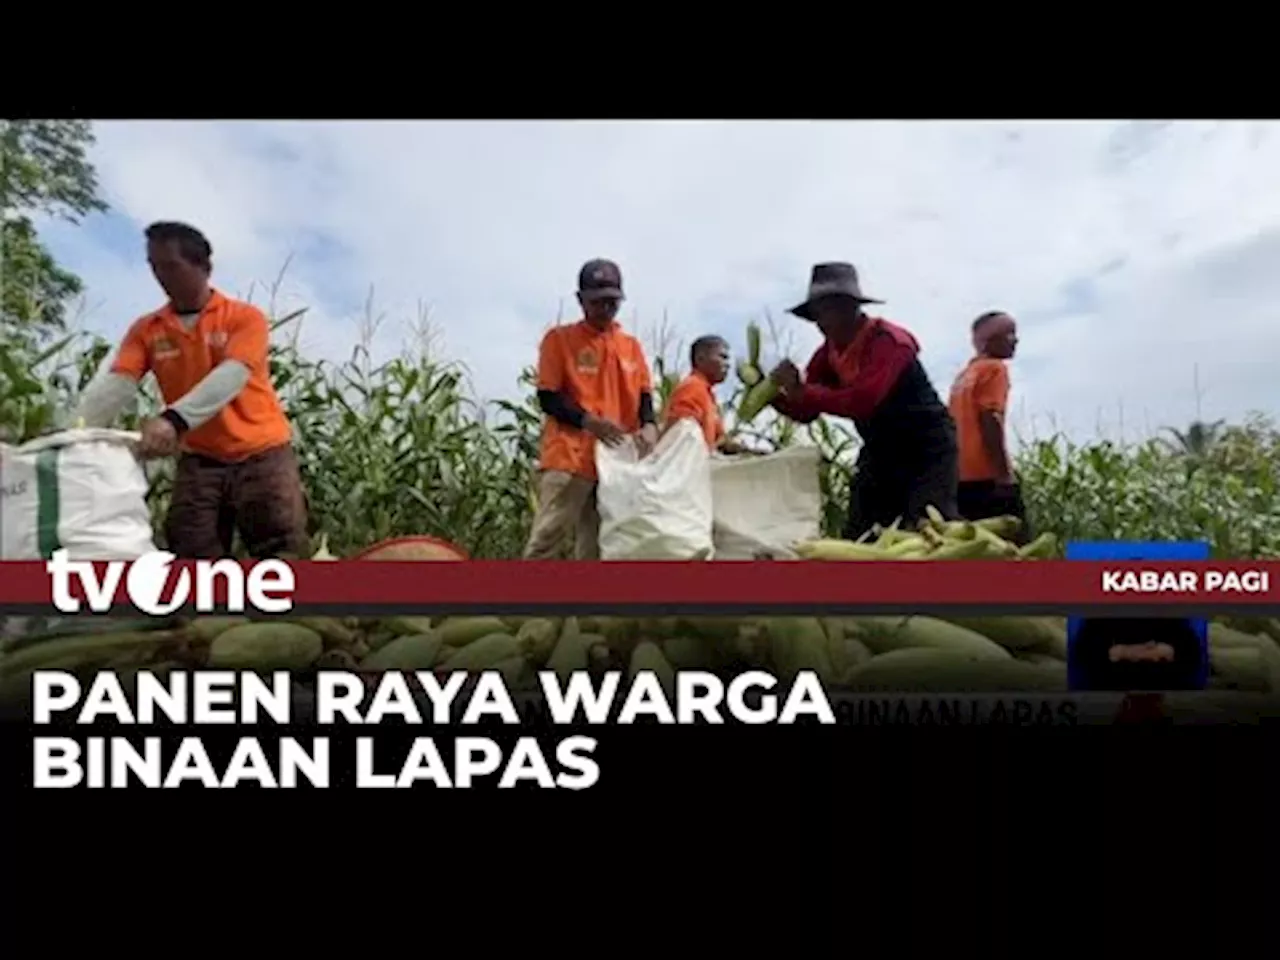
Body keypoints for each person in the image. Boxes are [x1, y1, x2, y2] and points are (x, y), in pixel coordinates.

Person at [73, 221, 309, 559]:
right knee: (191, 550)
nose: (161, 277)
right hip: (201, 459)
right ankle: (207, 613)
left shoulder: (244, 319)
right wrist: (72, 431)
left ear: (204, 267)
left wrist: (172, 421)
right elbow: (118, 384)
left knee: (280, 550)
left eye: (171, 266)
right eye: (154, 267)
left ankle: (288, 611)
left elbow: (232, 375)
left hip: (262, 454)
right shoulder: (148, 329)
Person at [768, 262, 960, 542]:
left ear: (851, 308)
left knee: (929, 528)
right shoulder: (827, 354)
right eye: (817, 314)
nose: (821, 322)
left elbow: (863, 401)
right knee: (863, 534)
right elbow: (808, 411)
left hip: (926, 449)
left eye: (828, 311)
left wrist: (803, 391)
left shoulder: (889, 342)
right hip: (881, 451)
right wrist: (776, 396)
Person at [524, 258, 658, 559]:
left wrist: (650, 425)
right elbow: (548, 397)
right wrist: (588, 422)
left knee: (599, 545)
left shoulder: (630, 346)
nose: (606, 309)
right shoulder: (559, 340)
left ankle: (587, 605)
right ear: (580, 300)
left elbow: (645, 394)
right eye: (598, 302)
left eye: (613, 302)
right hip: (569, 458)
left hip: (615, 462)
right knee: (548, 538)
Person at [949, 310, 1031, 542]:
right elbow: (990, 419)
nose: (1015, 339)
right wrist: (1003, 474)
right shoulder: (995, 369)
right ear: (988, 341)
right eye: (1009, 334)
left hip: (961, 478)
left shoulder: (963, 377)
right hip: (987, 477)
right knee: (1017, 548)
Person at [661, 335, 748, 454]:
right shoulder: (692, 388)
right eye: (722, 357)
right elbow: (681, 433)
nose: (727, 364)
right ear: (700, 358)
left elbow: (720, 441)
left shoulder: (707, 394)